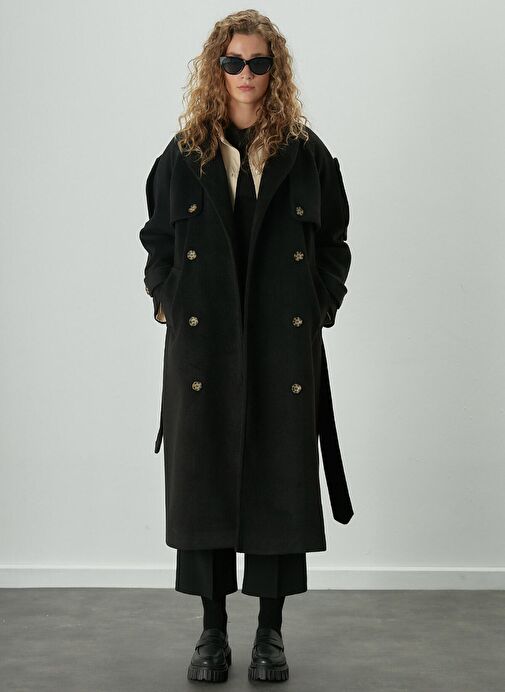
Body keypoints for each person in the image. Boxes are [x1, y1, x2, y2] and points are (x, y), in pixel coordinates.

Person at [139, 9, 353, 684]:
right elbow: (156, 239)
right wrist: (168, 299)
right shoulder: (183, 156)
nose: (246, 74)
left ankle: (269, 634)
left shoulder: (305, 155)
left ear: (274, 70)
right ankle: (211, 633)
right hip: (203, 350)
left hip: (281, 348)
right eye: (233, 62)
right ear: (216, 69)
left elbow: (334, 242)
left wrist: (318, 305)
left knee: (278, 483)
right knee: (203, 483)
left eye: (259, 63)